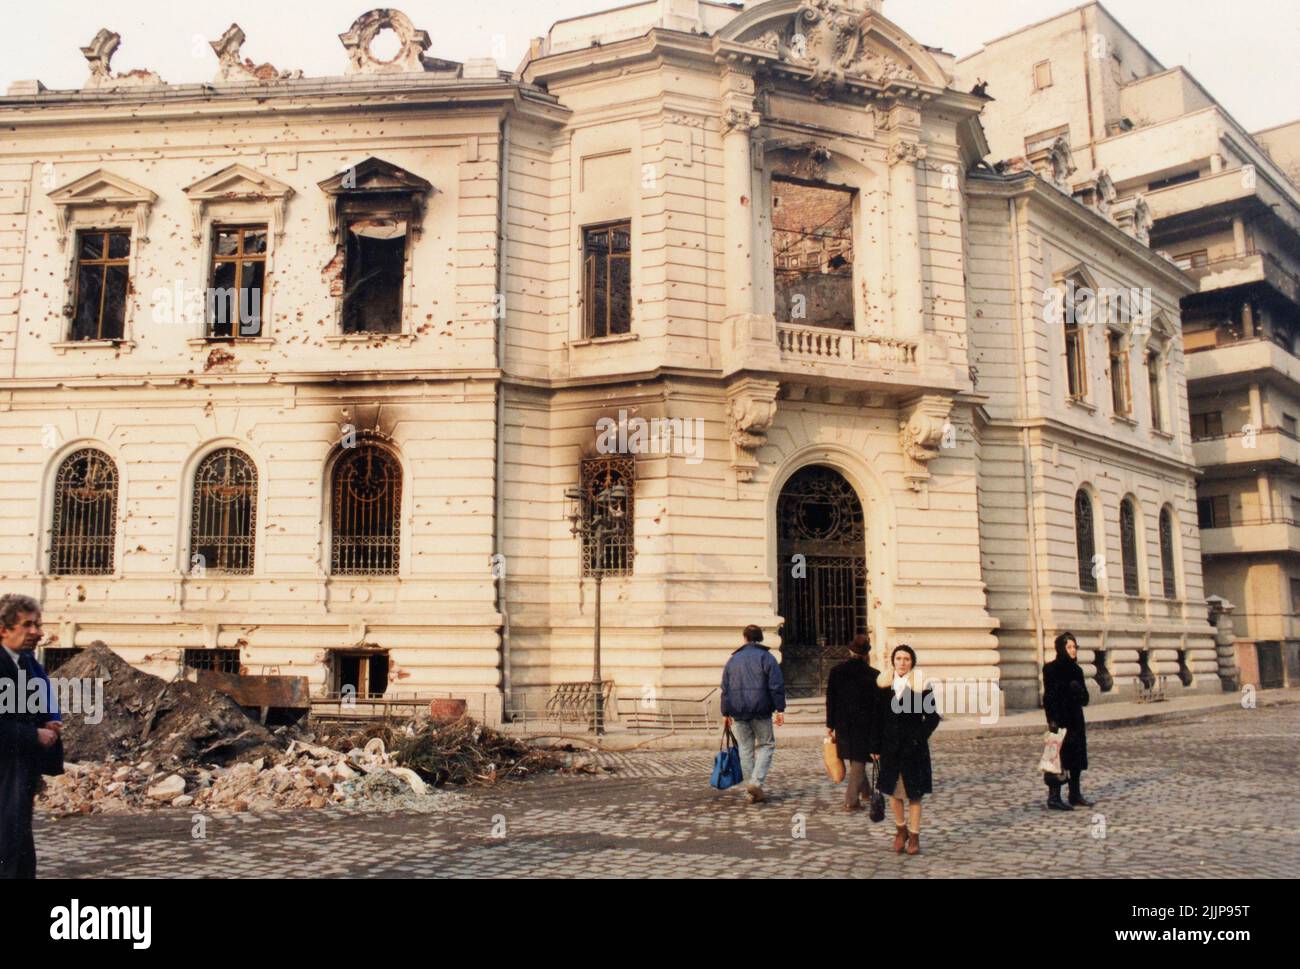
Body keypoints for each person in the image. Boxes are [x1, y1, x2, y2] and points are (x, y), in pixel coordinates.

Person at [0, 594, 64, 879]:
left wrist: (49, 724)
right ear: (4, 629)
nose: (37, 632)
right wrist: (32, 735)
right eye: (27, 625)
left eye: (38, 624)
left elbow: (34, 708)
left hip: (19, 771)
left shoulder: (26, 664)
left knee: (19, 846)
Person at [874, 644, 940, 855]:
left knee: (915, 794)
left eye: (906, 659)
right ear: (892, 661)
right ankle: (900, 830)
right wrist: (874, 746)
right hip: (890, 748)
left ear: (912, 662)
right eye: (899, 658)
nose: (902, 663)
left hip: (914, 750)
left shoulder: (922, 686)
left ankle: (914, 836)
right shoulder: (883, 685)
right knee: (893, 792)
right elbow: (875, 719)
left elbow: (932, 717)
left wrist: (918, 737)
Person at [721, 625, 786, 804]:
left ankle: (750, 790)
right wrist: (780, 709)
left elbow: (725, 688)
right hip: (761, 710)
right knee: (766, 745)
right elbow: (776, 685)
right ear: (760, 638)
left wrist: (725, 712)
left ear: (745, 638)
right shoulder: (767, 657)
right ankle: (755, 783)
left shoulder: (733, 660)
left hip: (738, 710)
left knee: (745, 749)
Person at [825, 634, 881, 812]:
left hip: (843, 722)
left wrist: (830, 724)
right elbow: (877, 705)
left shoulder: (836, 671)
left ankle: (866, 792)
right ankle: (851, 800)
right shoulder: (874, 675)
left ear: (849, 651)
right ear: (866, 654)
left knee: (855, 758)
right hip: (865, 723)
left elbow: (830, 700)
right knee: (858, 760)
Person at [1043, 631, 1093, 811]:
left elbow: (1085, 699)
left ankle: (1075, 795)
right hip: (1060, 721)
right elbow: (1048, 698)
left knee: (1076, 759)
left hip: (1076, 720)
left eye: (1074, 647)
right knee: (1057, 759)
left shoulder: (1077, 670)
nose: (1073, 650)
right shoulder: (1050, 669)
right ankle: (1054, 797)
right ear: (1061, 648)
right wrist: (1051, 721)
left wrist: (1077, 690)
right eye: (1069, 647)